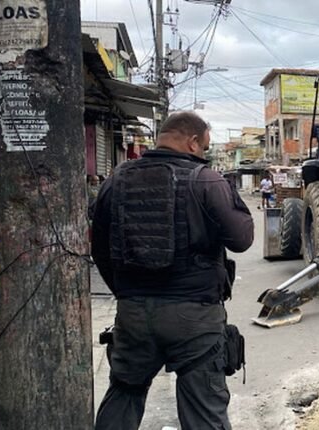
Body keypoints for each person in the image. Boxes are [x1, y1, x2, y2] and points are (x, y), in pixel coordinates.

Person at [91, 111, 254, 429]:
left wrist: (128, 293)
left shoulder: (117, 178)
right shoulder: (206, 180)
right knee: (204, 409)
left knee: (124, 394)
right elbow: (242, 239)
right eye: (205, 147)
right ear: (193, 142)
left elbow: (99, 249)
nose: (205, 154)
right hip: (194, 318)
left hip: (134, 315)